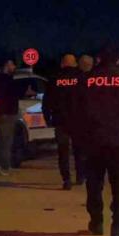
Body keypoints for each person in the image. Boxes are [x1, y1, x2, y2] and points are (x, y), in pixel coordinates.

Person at [75, 45, 119, 236]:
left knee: (94, 183)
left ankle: (96, 222)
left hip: (92, 139)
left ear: (98, 59)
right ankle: (118, 230)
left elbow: (76, 108)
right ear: (118, 60)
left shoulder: (86, 80)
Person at [43, 53, 85, 189]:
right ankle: (80, 176)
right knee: (79, 150)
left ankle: (66, 179)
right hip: (79, 120)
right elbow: (88, 99)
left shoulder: (55, 78)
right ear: (75, 63)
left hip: (60, 120)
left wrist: (47, 118)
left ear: (62, 64)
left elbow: (47, 101)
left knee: (63, 152)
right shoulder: (82, 77)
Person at [0, 59, 22, 175]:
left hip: (1, 114)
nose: (14, 67)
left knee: (1, 141)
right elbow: (10, 96)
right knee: (6, 141)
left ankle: (0, 165)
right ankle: (4, 167)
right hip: (6, 114)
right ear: (7, 66)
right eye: (12, 65)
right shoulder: (7, 80)